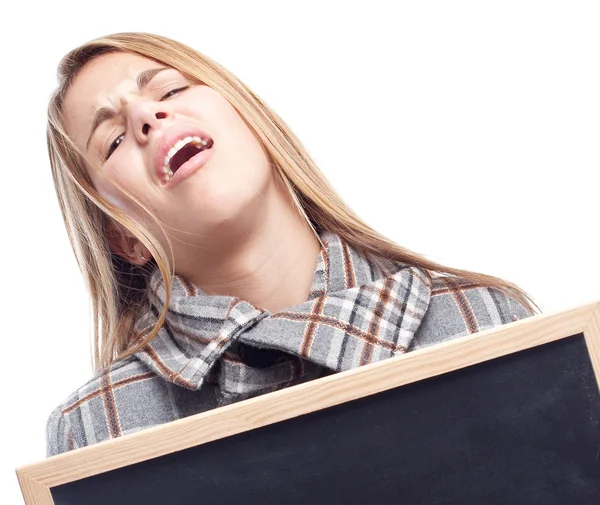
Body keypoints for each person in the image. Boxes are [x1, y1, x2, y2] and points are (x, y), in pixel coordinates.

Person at [45, 32, 540, 457]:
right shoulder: (93, 431)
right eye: (111, 139)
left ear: (250, 118)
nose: (146, 116)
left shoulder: (487, 321)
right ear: (126, 238)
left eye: (170, 88)